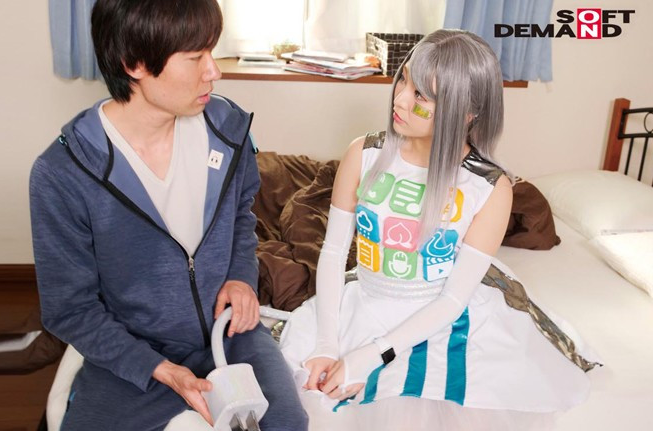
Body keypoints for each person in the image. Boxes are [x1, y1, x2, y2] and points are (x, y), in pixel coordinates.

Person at [279, 29, 599, 430]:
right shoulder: (364, 152)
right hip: (365, 299)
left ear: (465, 113)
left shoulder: (490, 187)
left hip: (441, 317)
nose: (399, 99)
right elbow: (331, 252)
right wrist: (328, 344)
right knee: (302, 388)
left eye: (420, 95)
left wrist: (369, 356)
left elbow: (451, 300)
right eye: (404, 80)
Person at [29, 1, 307, 430]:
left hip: (229, 335)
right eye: (195, 57)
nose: (213, 71)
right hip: (137, 353)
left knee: (288, 424)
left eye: (212, 52)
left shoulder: (229, 130)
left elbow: (241, 217)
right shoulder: (63, 173)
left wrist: (240, 277)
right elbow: (70, 309)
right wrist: (158, 369)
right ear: (134, 63)